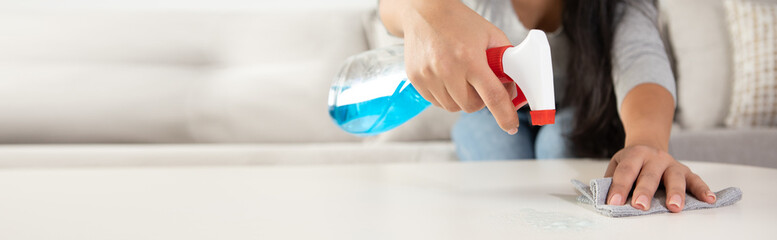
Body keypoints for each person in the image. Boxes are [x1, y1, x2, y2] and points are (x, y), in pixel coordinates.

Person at [379, 0, 717, 213]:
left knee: (560, 139)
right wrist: (421, 8)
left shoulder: (617, 7)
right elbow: (389, 9)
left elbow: (641, 61)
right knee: (485, 135)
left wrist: (648, 143)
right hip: (491, 111)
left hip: (577, 113)